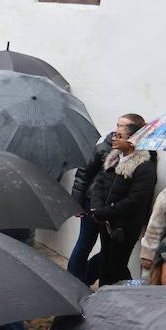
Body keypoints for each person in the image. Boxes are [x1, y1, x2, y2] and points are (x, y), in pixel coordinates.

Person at [86, 115, 156, 287]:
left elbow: (136, 200)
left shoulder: (144, 166)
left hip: (124, 226)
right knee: (105, 264)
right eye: (115, 133)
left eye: (119, 135)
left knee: (117, 266)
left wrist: (104, 211)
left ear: (132, 140)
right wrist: (96, 207)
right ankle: (103, 298)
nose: (114, 138)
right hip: (106, 222)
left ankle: (125, 296)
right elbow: (99, 184)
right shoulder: (114, 158)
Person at [67, 120, 121, 281]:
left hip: (113, 208)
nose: (117, 130)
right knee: (85, 243)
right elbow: (83, 174)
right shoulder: (103, 148)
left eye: (122, 126)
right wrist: (76, 202)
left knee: (110, 250)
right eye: (118, 125)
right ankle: (72, 280)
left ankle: (86, 277)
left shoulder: (141, 153)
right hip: (92, 202)